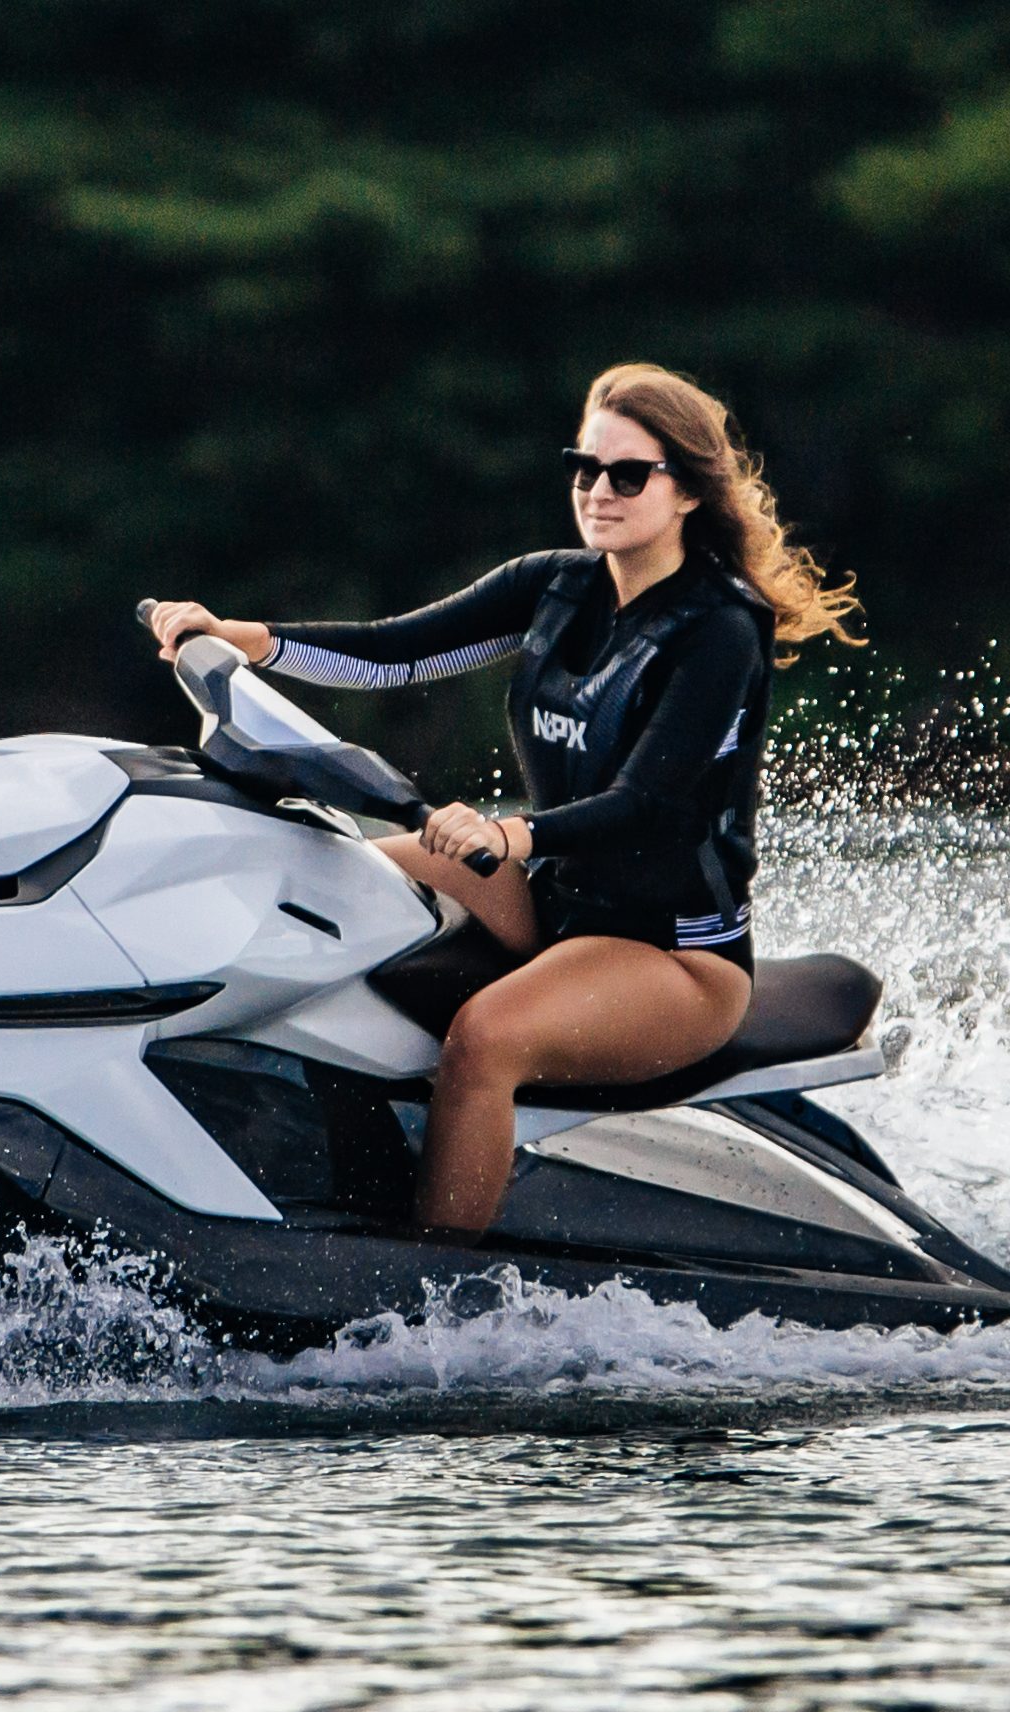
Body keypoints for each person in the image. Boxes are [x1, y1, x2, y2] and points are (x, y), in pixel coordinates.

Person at [141, 363, 864, 1234]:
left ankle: (437, 1277)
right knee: (324, 884)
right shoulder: (556, 584)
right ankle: (316, 1169)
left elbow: (650, 805)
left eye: (627, 474)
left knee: (483, 1037)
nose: (598, 491)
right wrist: (243, 638)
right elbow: (395, 654)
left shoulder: (720, 630)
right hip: (554, 903)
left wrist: (513, 835)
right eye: (585, 467)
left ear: (686, 493)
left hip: (673, 956)